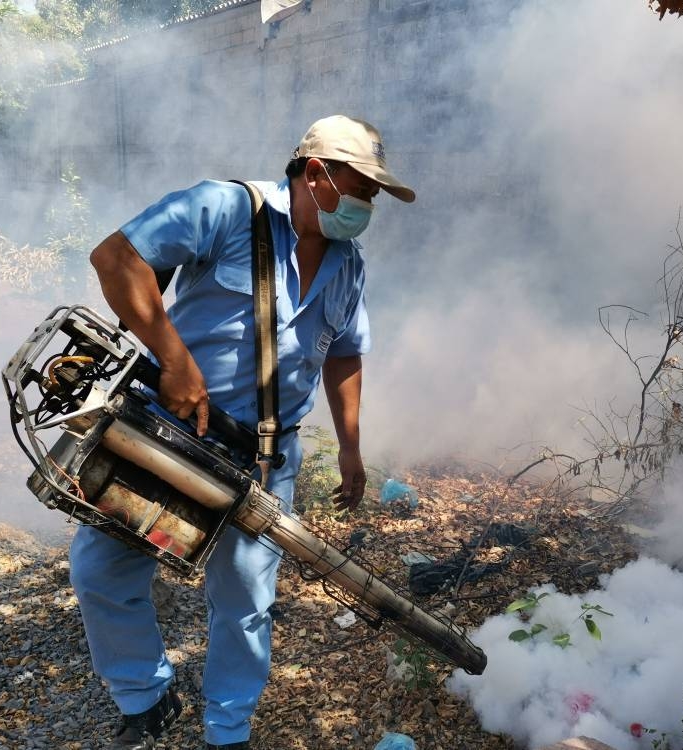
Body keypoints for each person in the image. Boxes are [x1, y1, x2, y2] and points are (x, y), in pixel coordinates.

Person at [69, 115, 415, 750]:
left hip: (265, 460)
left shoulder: (348, 264)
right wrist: (174, 359)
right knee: (103, 570)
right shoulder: (227, 209)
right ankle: (145, 697)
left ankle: (227, 732)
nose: (367, 206)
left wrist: (351, 448)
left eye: (372, 196)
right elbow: (116, 258)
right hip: (172, 436)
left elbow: (343, 355)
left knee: (246, 602)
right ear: (317, 173)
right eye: (363, 190)